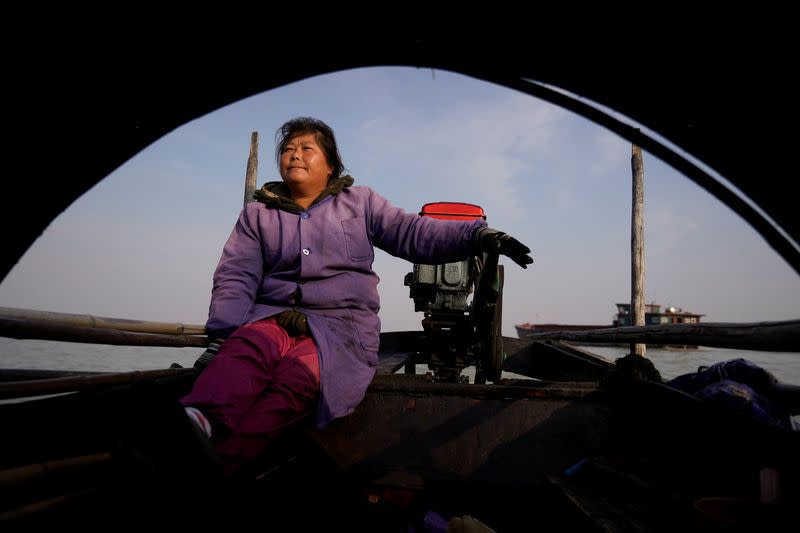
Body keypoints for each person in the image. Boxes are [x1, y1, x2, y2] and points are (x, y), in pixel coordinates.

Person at [179, 116, 533, 477]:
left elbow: (413, 232)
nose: (294, 155)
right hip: (270, 319)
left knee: (296, 380)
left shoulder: (360, 203)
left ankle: (223, 463)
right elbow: (236, 274)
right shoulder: (257, 214)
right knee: (245, 352)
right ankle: (198, 421)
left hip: (339, 330)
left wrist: (480, 236)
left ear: (330, 165)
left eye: (306, 149)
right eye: (287, 150)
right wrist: (223, 334)